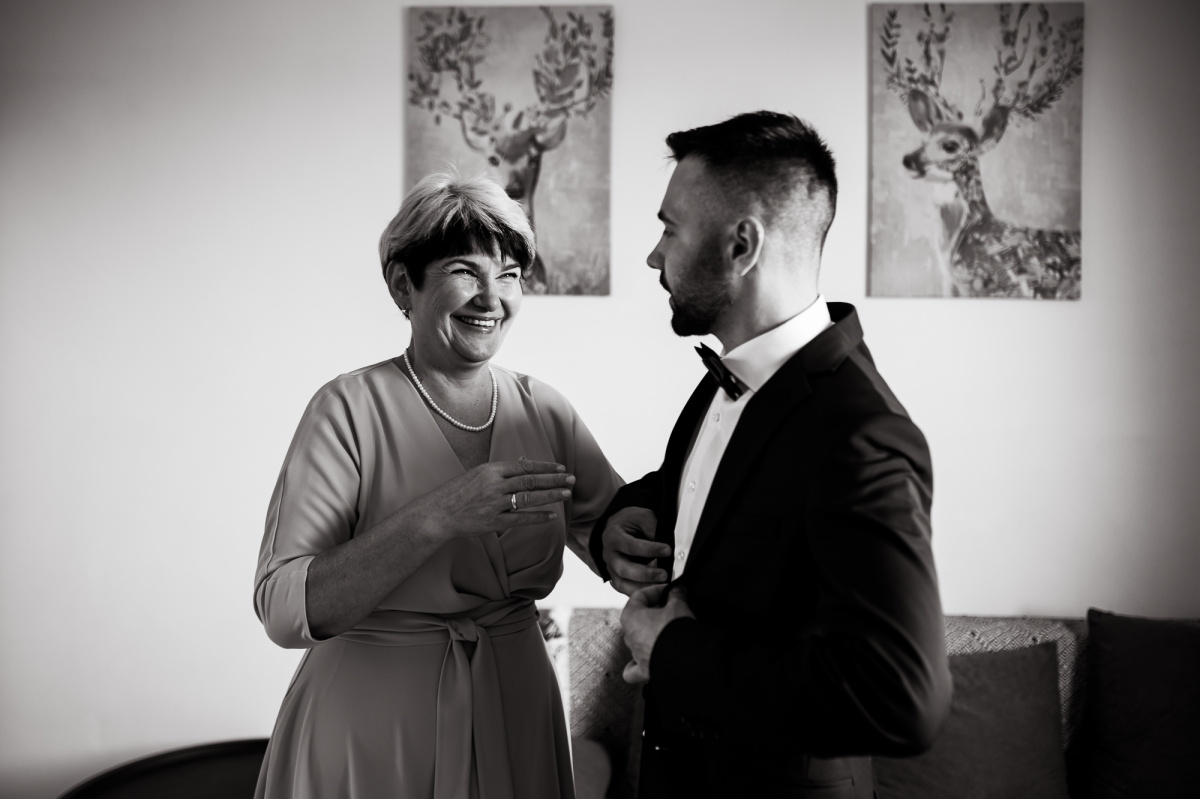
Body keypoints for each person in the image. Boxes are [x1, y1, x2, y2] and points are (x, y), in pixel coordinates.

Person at [589, 112, 953, 798]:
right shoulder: (728, 379)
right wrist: (622, 519)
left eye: (670, 229)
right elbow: (702, 496)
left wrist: (671, 652)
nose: (653, 257)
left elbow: (900, 696)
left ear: (741, 245)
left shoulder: (861, 433)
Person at [253, 171, 621, 799]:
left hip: (517, 710)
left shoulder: (545, 409)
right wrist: (436, 516)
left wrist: (632, 542)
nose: (491, 298)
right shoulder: (346, 409)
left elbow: (617, 537)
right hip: (371, 730)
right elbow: (286, 610)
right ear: (404, 284)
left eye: (509, 275)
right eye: (464, 272)